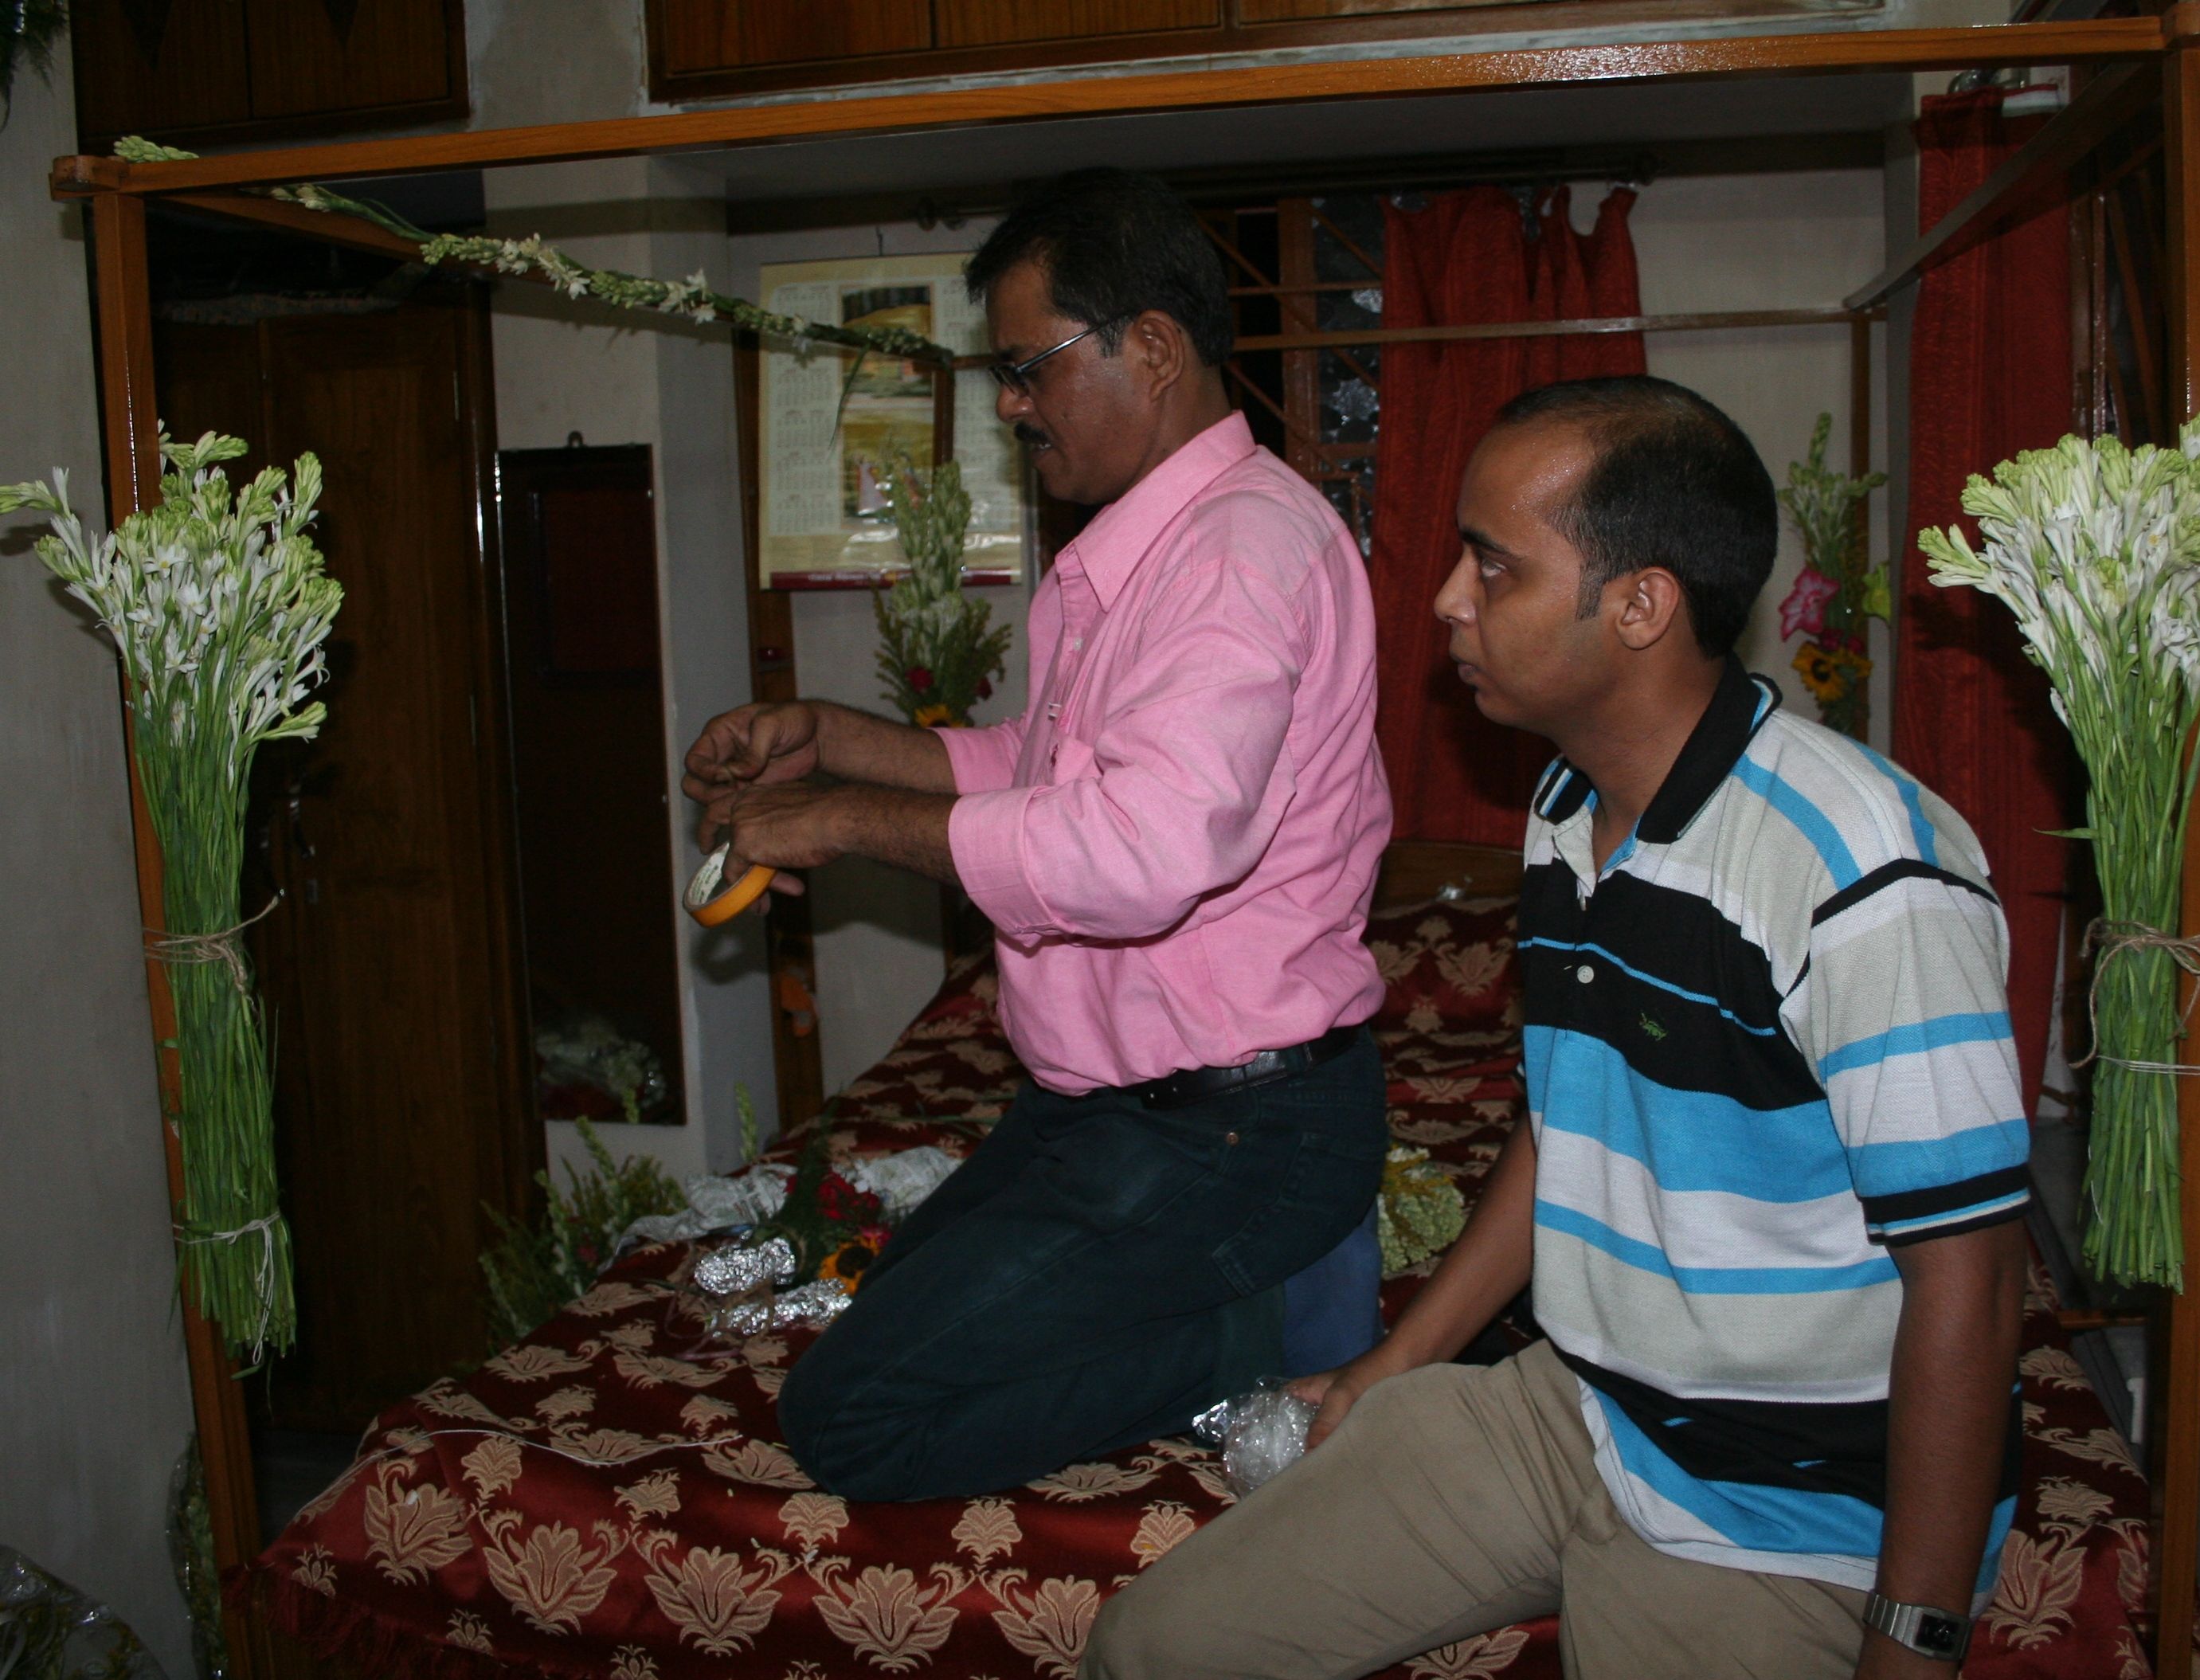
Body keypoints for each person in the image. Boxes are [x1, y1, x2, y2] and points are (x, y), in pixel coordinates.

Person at [1082, 376, 2030, 1680]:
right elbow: (1568, 1120)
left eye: (1494, 566)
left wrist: (1912, 1637)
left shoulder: (1861, 870)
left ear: (1640, 606)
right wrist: (1394, 1363)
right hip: (1582, 1404)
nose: (1447, 601)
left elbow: (1973, 1279)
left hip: (1789, 1502)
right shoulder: (1567, 805)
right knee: (1152, 1646)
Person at [680, 168, 1395, 1504]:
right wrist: (830, 738)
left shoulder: (1236, 556)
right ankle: (1228, 1298)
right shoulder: (1152, 549)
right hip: (1111, 1111)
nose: (1011, 405)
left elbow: (1140, 849)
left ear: (1154, 347)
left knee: (852, 1412)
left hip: (1234, 1135)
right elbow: (1036, 772)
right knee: (905, 1300)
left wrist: (841, 820)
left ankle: (1267, 1327)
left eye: (1027, 368)